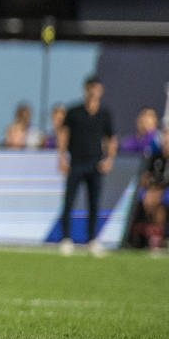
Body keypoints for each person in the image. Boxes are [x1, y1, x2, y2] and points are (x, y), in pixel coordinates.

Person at [56, 75, 116, 257]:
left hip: (95, 163)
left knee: (94, 203)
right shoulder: (74, 111)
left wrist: (110, 158)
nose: (93, 91)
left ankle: (92, 240)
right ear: (85, 89)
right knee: (69, 201)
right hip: (76, 161)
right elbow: (64, 134)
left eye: (96, 87)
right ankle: (66, 238)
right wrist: (61, 156)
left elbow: (111, 137)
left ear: (101, 90)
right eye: (90, 87)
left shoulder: (105, 113)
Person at [137, 127, 169, 251]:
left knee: (159, 201)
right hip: (153, 189)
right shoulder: (156, 157)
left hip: (164, 190)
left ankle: (157, 236)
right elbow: (147, 175)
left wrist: (159, 190)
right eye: (165, 138)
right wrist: (148, 184)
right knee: (147, 198)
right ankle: (150, 235)